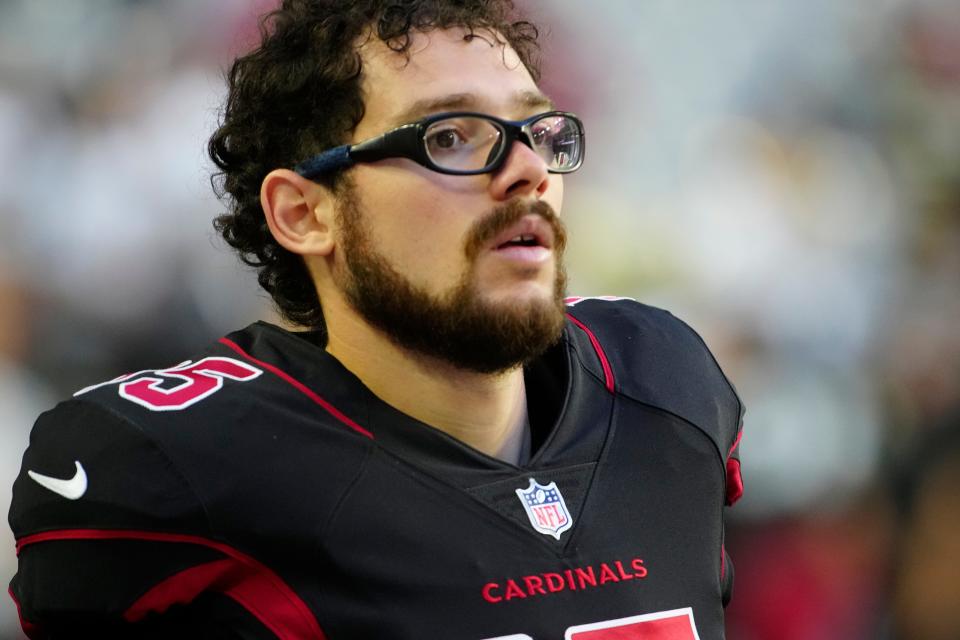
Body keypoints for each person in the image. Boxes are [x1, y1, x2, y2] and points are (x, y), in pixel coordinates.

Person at [8, 1, 744, 638]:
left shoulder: (663, 386)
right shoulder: (177, 469)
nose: (527, 170)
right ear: (304, 213)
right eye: (450, 137)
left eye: (539, 131)